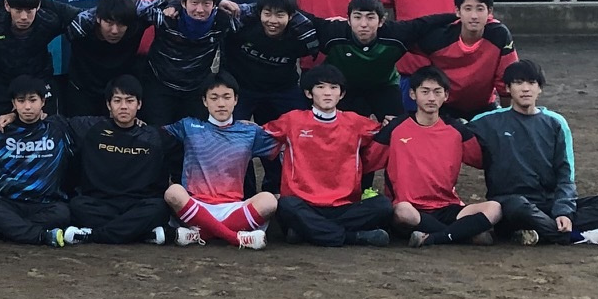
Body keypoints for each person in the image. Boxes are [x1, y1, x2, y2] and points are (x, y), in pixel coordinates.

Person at [465, 59, 598, 246]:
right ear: (507, 88)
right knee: (516, 206)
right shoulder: (487, 122)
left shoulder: (556, 123)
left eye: (531, 83)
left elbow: (566, 175)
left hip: (548, 204)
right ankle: (577, 237)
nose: (525, 89)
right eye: (518, 83)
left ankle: (542, 231)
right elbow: (452, 132)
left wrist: (563, 211)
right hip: (511, 206)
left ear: (539, 88)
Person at [363, 67, 500, 247]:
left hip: (448, 206)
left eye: (437, 92)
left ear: (446, 96)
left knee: (495, 208)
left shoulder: (457, 131)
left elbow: (483, 161)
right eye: (425, 92)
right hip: (411, 208)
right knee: (402, 212)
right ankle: (463, 234)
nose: (431, 98)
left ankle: (435, 237)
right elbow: (367, 162)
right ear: (412, 94)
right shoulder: (395, 128)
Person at [263, 65, 395, 247]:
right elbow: (260, 135)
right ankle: (354, 237)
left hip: (345, 205)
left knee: (383, 206)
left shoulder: (355, 122)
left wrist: (393, 124)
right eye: (321, 87)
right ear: (309, 93)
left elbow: (384, 135)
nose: (327, 93)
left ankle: (308, 232)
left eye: (333, 88)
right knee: (285, 205)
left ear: (341, 94)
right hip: (304, 204)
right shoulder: (292, 120)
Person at [160, 74, 281, 249]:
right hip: (195, 204)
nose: (221, 104)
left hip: (233, 208)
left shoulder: (250, 132)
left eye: (226, 97)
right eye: (214, 98)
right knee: (173, 192)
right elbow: (153, 136)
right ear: (204, 101)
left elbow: (286, 143)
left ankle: (198, 235)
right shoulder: (188, 126)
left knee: (269, 200)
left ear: (236, 100)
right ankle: (236, 238)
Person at [61, 76, 174, 246]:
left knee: (159, 208)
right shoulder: (91, 128)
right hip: (100, 204)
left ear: (139, 104)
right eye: (117, 101)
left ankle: (93, 235)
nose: (123, 107)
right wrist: (12, 116)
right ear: (108, 105)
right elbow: (56, 123)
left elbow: (186, 141)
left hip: (138, 205)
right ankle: (139, 233)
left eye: (129, 101)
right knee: (76, 206)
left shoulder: (154, 136)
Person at [0, 77, 75, 245]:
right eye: (21, 101)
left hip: (44, 205)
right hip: (5, 203)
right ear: (14, 104)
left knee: (63, 212)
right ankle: (40, 236)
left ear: (43, 101)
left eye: (33, 100)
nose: (27, 107)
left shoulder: (59, 127)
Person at [396, 0, 516, 120]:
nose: (474, 16)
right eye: (468, 9)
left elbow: (506, 80)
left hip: (484, 106)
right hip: (445, 107)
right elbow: (401, 43)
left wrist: (507, 117)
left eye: (480, 9)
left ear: (489, 12)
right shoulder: (439, 38)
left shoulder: (499, 35)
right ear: (458, 12)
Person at [140, 0, 236, 124]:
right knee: (159, 136)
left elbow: (257, 11)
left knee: (195, 138)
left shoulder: (223, 20)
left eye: (206, 3)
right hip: (160, 84)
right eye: (194, 2)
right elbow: (130, 7)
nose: (200, 9)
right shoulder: (165, 15)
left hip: (196, 88)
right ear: (183, 3)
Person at [226, 0, 321, 125]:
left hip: (283, 88)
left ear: (291, 16)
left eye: (280, 15)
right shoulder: (242, 22)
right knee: (229, 129)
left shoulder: (303, 30)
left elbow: (332, 29)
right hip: (242, 87)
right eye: (267, 13)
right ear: (260, 13)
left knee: (303, 125)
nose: (273, 21)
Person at [311, 0, 411, 120]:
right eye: (357, 17)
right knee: (343, 126)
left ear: (381, 21)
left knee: (395, 125)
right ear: (348, 20)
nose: (363, 24)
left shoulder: (394, 34)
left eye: (370, 18)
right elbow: (303, 17)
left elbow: (424, 25)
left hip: (384, 85)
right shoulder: (334, 31)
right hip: (344, 87)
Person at [0, 0, 74, 101]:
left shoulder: (49, 22)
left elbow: (82, 18)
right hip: (0, 84)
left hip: (38, 82)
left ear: (38, 6)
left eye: (29, 11)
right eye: (18, 11)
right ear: (7, 6)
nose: (24, 17)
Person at [59, 0, 150, 119]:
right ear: (97, 18)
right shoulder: (81, 25)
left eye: (121, 24)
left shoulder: (136, 25)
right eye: (109, 23)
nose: (114, 30)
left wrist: (172, 6)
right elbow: (46, 3)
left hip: (118, 93)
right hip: (82, 91)